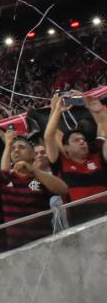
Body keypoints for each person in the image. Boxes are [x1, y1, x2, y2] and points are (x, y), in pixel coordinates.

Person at [0, 122, 68, 250]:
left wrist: (34, 171)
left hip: (45, 243)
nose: (16, 150)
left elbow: (63, 189)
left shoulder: (41, 178)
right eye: (14, 148)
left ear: (33, 155)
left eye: (21, 147)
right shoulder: (4, 177)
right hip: (17, 248)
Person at [44, 92, 107, 222]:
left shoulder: (98, 156)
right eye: (76, 140)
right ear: (66, 147)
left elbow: (104, 130)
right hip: (79, 225)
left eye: (83, 139)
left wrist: (98, 111)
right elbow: (49, 136)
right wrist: (56, 110)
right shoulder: (60, 162)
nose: (82, 141)